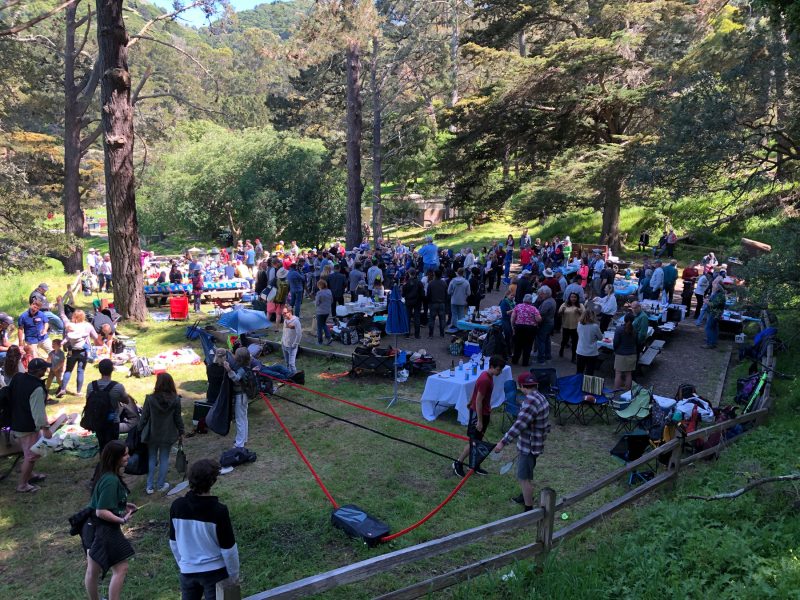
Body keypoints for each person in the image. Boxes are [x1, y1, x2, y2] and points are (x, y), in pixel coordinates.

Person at [169, 459, 240, 599]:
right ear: (213, 481)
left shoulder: (177, 506)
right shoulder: (218, 510)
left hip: (187, 570)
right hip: (215, 573)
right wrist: (233, 576)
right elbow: (229, 549)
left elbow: (173, 543)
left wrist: (184, 564)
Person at [84, 440, 137, 600]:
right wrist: (122, 520)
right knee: (121, 568)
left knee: (92, 571)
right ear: (115, 458)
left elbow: (100, 501)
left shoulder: (105, 473)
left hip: (91, 525)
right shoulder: (111, 480)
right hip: (103, 529)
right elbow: (101, 512)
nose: (128, 457)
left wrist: (122, 504)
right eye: (125, 454)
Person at [493, 373, 550, 512]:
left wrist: (502, 442)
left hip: (529, 447)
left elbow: (518, 425)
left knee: (523, 478)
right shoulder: (541, 397)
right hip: (535, 444)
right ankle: (524, 497)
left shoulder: (530, 402)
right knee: (527, 474)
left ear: (521, 386)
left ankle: (528, 509)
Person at [452, 355, 507, 478]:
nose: (500, 372)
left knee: (478, 441)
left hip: (483, 412)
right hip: (479, 415)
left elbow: (477, 395)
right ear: (491, 367)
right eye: (498, 369)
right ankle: (458, 463)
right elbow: (478, 401)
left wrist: (474, 403)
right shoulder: (485, 379)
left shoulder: (488, 376)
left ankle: (474, 465)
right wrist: (480, 421)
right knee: (474, 442)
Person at [8, 357, 52, 493]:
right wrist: (46, 429)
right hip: (27, 427)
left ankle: (30, 475)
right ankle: (23, 485)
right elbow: (38, 412)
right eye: (44, 369)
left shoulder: (18, 377)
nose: (46, 370)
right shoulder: (37, 388)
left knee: (27, 452)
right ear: (39, 371)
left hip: (15, 421)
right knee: (31, 456)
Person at [138, 373, 185, 495]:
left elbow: (144, 417)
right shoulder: (175, 400)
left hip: (152, 434)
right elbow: (178, 418)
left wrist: (139, 429)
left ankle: (149, 486)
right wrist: (181, 431)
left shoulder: (150, 399)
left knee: (152, 458)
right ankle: (160, 484)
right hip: (168, 434)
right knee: (164, 459)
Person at [87, 358, 129, 451]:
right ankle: (112, 464)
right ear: (112, 369)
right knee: (113, 447)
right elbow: (127, 401)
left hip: (97, 420)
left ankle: (103, 462)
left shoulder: (91, 386)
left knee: (102, 445)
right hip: (113, 421)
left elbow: (88, 400)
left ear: (99, 370)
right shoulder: (118, 387)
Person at [223, 347, 253, 449]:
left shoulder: (241, 369)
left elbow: (236, 378)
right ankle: (244, 439)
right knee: (244, 418)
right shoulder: (247, 366)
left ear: (239, 359)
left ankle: (239, 444)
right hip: (244, 396)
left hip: (240, 396)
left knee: (240, 420)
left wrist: (229, 370)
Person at [510, 294, 541, 366]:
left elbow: (513, 317)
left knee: (518, 344)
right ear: (531, 301)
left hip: (519, 327)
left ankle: (515, 360)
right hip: (530, 329)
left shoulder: (518, 306)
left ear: (523, 299)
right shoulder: (534, 308)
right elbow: (538, 319)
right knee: (528, 345)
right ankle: (525, 362)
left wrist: (513, 326)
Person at [613, 313, 637, 391]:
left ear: (624, 319)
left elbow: (615, 342)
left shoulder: (619, 329)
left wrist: (615, 350)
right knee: (628, 374)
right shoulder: (634, 330)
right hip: (632, 354)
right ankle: (628, 390)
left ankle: (617, 388)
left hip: (621, 354)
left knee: (618, 373)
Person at [575, 310, 603, 376]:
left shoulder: (579, 324)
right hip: (592, 352)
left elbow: (579, 334)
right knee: (590, 372)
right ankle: (587, 385)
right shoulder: (595, 326)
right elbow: (600, 338)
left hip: (580, 351)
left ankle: (578, 384)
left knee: (579, 371)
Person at [558, 293, 584, 362]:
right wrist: (562, 311)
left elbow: (584, 315)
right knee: (564, 340)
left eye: (575, 297)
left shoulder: (580, 305)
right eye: (572, 297)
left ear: (577, 298)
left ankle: (573, 357)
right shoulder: (564, 304)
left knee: (575, 342)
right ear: (569, 298)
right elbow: (559, 314)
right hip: (566, 326)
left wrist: (580, 311)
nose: (573, 298)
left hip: (576, 327)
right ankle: (561, 349)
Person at [534, 286, 556, 364]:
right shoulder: (551, 300)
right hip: (549, 322)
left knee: (541, 341)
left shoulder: (547, 302)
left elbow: (541, 313)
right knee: (546, 340)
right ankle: (548, 356)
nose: (539, 295)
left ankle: (541, 359)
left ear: (545, 293)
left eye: (541, 294)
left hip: (545, 323)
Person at [702, 280, 727, 350]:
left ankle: (710, 343)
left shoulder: (720, 295)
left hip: (715, 313)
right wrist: (708, 300)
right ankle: (713, 340)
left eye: (714, 284)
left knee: (708, 328)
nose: (713, 285)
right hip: (714, 313)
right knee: (714, 327)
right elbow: (714, 302)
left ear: (718, 287)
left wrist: (706, 302)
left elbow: (714, 304)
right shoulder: (717, 293)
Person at [402, 268, 424, 339]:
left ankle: (407, 334)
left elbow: (403, 294)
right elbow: (422, 294)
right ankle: (417, 335)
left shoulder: (406, 283)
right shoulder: (419, 282)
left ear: (409, 274)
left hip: (408, 302)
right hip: (417, 302)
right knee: (417, 318)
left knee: (407, 318)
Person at [281, 306, 302, 375]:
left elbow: (299, 334)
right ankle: (289, 376)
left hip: (291, 347)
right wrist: (282, 341)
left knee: (291, 364)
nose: (283, 314)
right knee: (287, 363)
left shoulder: (296, 321)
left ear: (290, 312)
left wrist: (295, 344)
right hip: (284, 345)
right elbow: (284, 331)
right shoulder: (285, 320)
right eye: (282, 313)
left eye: (284, 313)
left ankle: (296, 378)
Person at [427, 269, 448, 338]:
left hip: (433, 303)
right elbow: (446, 294)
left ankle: (431, 335)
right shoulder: (444, 283)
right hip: (442, 303)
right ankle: (442, 334)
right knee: (442, 319)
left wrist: (429, 303)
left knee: (432, 319)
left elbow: (428, 294)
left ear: (434, 274)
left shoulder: (431, 283)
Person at [314, 279, 334, 345]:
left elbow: (316, 303)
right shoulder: (329, 291)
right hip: (327, 311)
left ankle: (320, 341)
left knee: (319, 326)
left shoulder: (319, 293)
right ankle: (329, 337)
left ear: (319, 286)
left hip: (320, 312)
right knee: (323, 324)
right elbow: (332, 301)